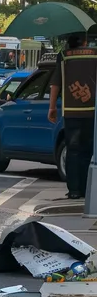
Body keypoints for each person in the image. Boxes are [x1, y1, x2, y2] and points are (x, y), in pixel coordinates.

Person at [48, 32, 95, 199]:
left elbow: (55, 84)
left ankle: (74, 190)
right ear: (84, 40)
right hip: (92, 111)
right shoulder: (94, 55)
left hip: (71, 111)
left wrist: (52, 107)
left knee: (73, 150)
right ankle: (87, 189)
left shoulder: (63, 56)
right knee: (88, 151)